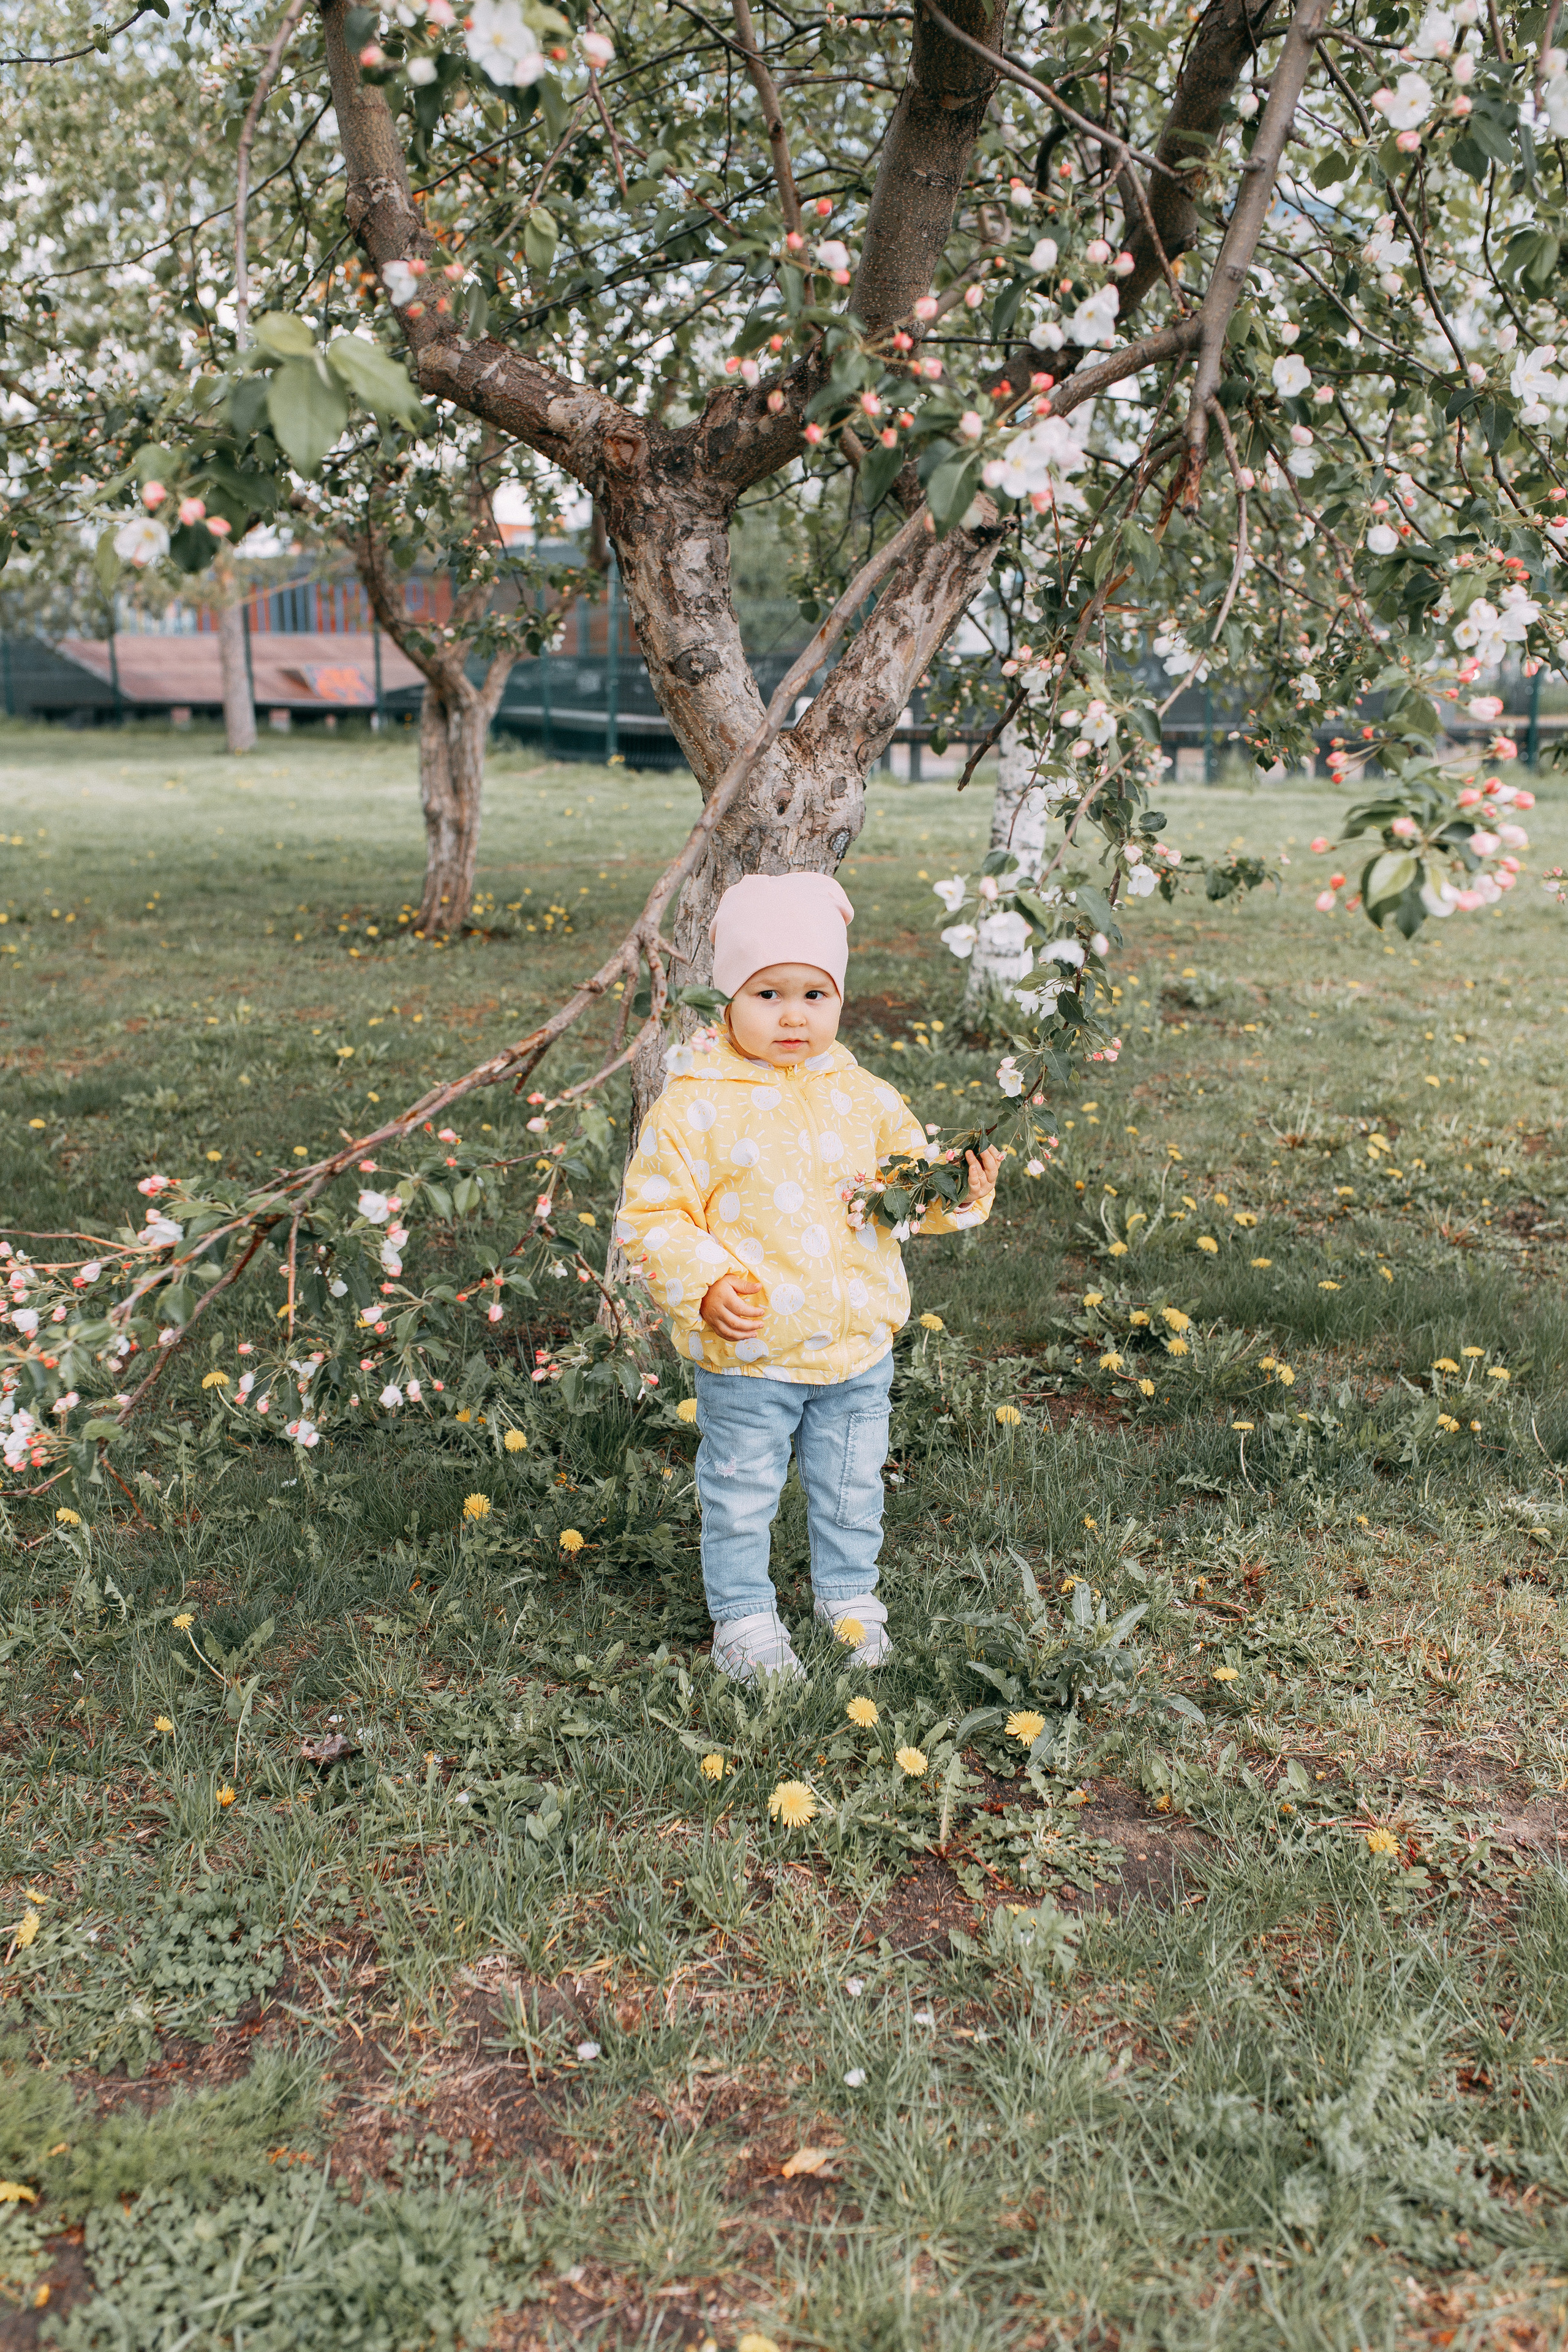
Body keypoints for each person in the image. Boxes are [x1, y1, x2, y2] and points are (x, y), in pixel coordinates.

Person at [616, 871, 1001, 1681]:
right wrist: (704, 1284)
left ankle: (849, 1597)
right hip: (751, 1356)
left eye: (815, 995)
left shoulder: (865, 1098)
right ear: (729, 998)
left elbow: (904, 1193)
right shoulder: (695, 1105)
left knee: (852, 1485)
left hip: (856, 1349)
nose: (794, 1016)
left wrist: (955, 1188)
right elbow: (653, 1218)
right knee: (741, 1491)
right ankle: (744, 1619)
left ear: (839, 998)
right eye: (768, 994)